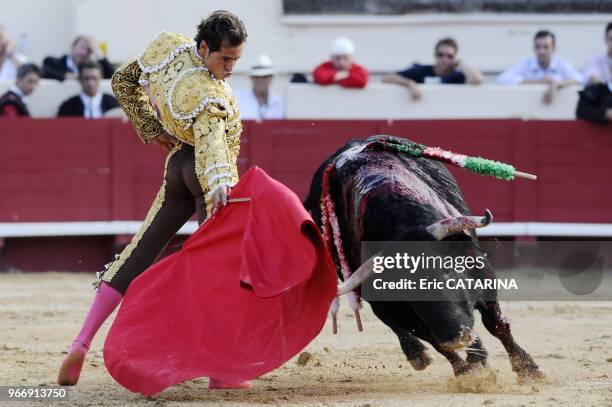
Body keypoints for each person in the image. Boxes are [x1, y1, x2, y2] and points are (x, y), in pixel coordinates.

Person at [57, 10, 249, 390]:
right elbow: (212, 146)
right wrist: (220, 184)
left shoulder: (168, 47)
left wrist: (152, 128)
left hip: (177, 165)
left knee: (137, 253)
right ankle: (220, 371)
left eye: (235, 61)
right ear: (204, 47)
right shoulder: (210, 93)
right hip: (206, 175)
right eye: (224, 58)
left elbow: (123, 80)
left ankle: (80, 343)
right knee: (219, 271)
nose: (228, 68)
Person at [497, 30, 583, 104]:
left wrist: (556, 85)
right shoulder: (526, 63)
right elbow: (502, 79)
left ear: (554, 48)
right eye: (537, 47)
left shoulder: (561, 63)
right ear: (533, 48)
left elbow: (581, 79)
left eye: (546, 47)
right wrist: (539, 82)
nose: (541, 51)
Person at [382, 37, 483, 100]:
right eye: (440, 55)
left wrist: (461, 64)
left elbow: (477, 80)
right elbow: (387, 78)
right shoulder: (423, 70)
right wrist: (410, 84)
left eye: (449, 56)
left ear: (454, 57)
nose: (444, 59)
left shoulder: (457, 75)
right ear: (435, 55)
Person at [43, 35, 114, 81]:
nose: (84, 53)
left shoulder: (94, 68)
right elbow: (46, 72)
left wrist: (97, 52)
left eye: (89, 50)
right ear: (72, 47)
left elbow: (113, 77)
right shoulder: (52, 62)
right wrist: (68, 76)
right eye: (82, 47)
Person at [234, 54, 284, 120]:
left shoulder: (279, 102)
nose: (261, 80)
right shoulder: (237, 99)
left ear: (271, 78)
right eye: (257, 77)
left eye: (265, 77)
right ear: (251, 78)